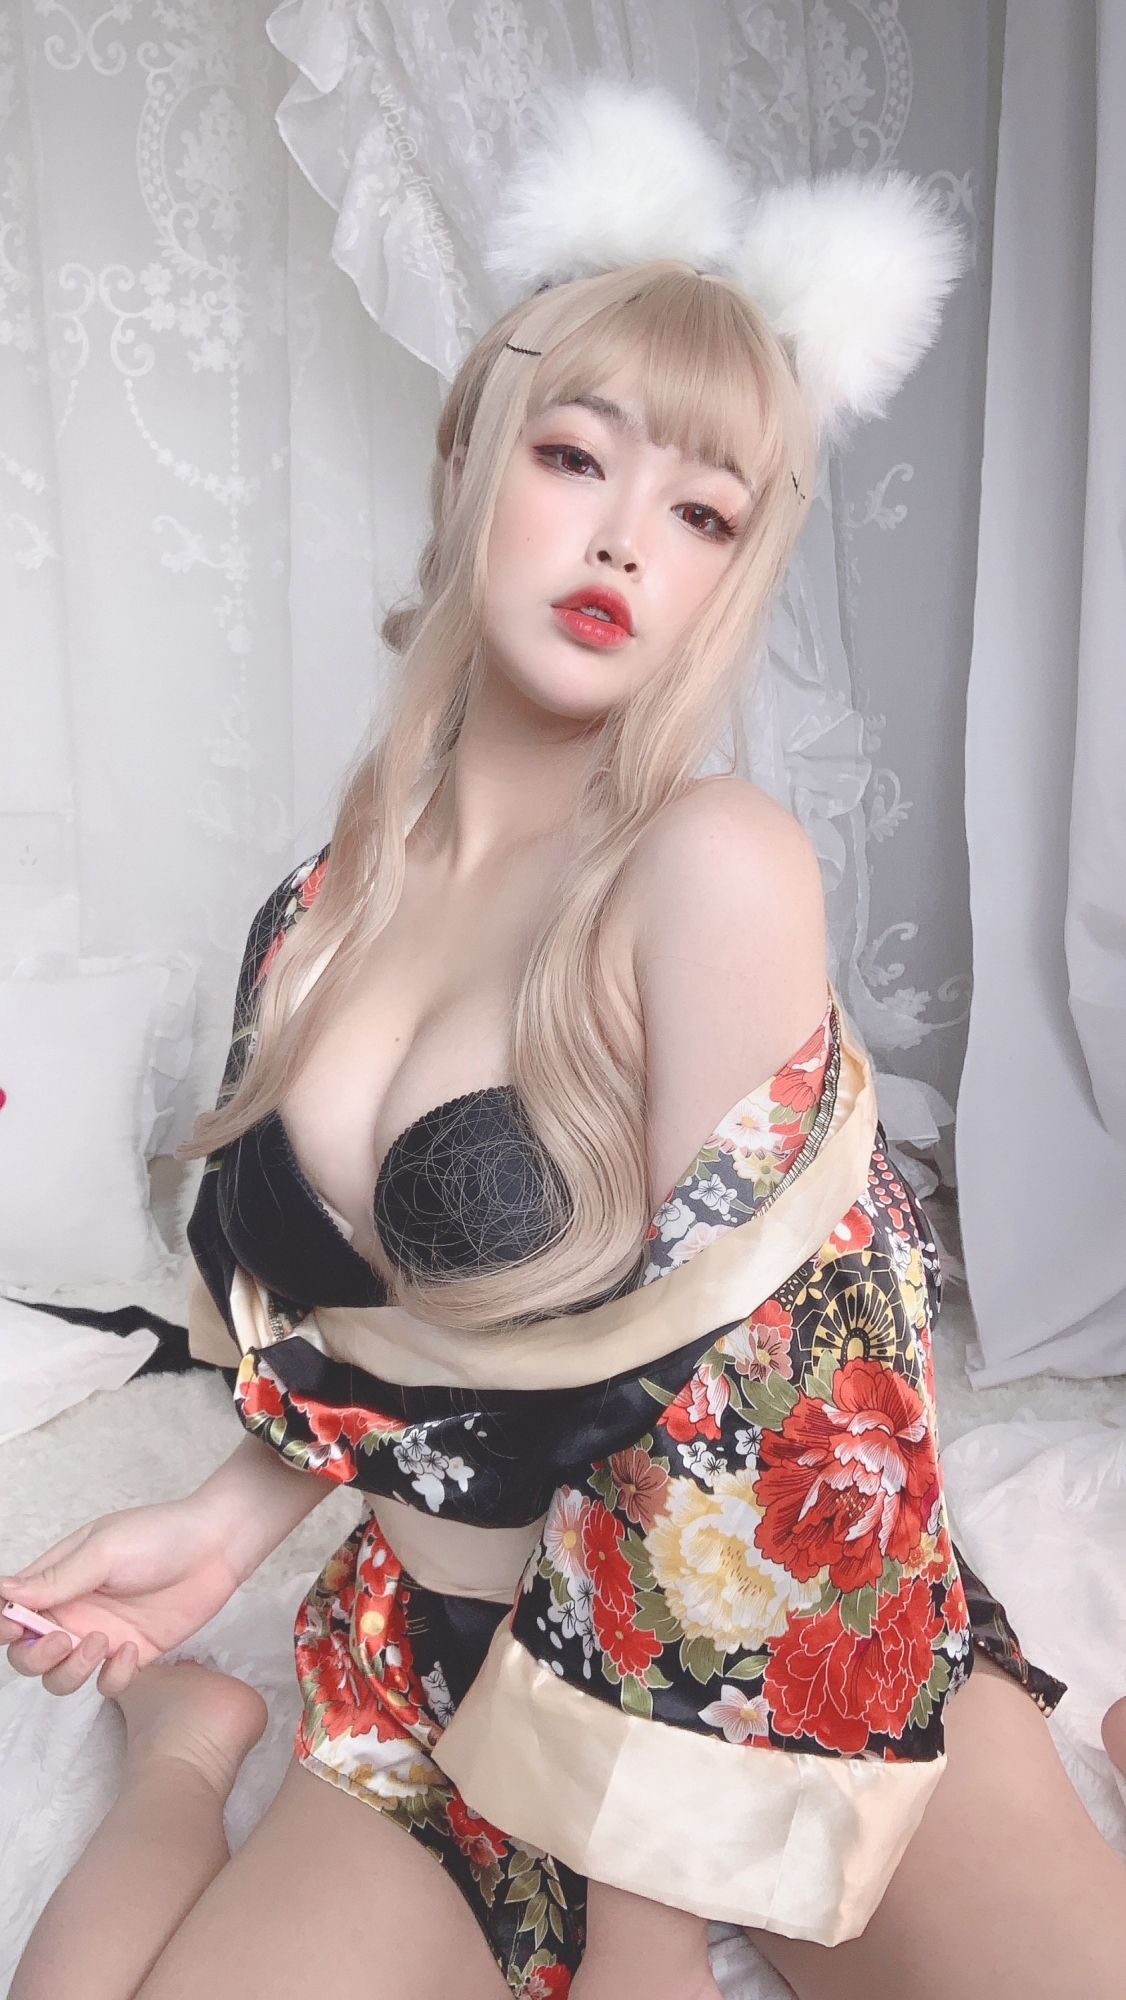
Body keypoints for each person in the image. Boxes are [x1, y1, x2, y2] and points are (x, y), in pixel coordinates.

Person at [4, 81, 1126, 2000]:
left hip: (773, 1678)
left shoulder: (709, 869)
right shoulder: (316, 912)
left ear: (731, 573)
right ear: (471, 462)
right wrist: (214, 1525)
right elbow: (374, 1341)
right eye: (574, 456)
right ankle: (184, 1749)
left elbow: (759, 1411)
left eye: (699, 512)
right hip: (448, 1672)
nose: (622, 541)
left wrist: (641, 1936)